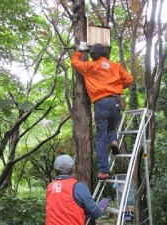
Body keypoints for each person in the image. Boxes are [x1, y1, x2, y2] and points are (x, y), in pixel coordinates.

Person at [71, 43, 134, 180]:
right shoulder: (115, 66)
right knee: (112, 128)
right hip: (116, 101)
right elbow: (129, 79)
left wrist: (80, 51)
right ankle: (114, 142)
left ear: (93, 55)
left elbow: (75, 63)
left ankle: (104, 171)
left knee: (100, 138)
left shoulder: (91, 66)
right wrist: (117, 86)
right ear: (105, 53)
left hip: (101, 102)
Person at [45, 154, 110, 225]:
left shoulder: (50, 187)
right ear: (74, 169)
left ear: (54, 170)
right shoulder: (78, 187)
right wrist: (102, 206)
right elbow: (95, 213)